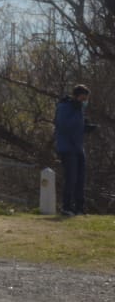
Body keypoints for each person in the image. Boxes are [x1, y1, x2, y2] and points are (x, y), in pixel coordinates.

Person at [53, 84, 96, 215]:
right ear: (76, 96)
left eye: (86, 99)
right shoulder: (65, 107)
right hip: (67, 147)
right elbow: (65, 126)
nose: (84, 102)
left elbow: (77, 126)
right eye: (83, 99)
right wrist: (80, 125)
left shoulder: (78, 109)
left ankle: (79, 207)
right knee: (71, 178)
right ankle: (67, 207)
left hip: (77, 147)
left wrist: (86, 127)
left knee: (80, 178)